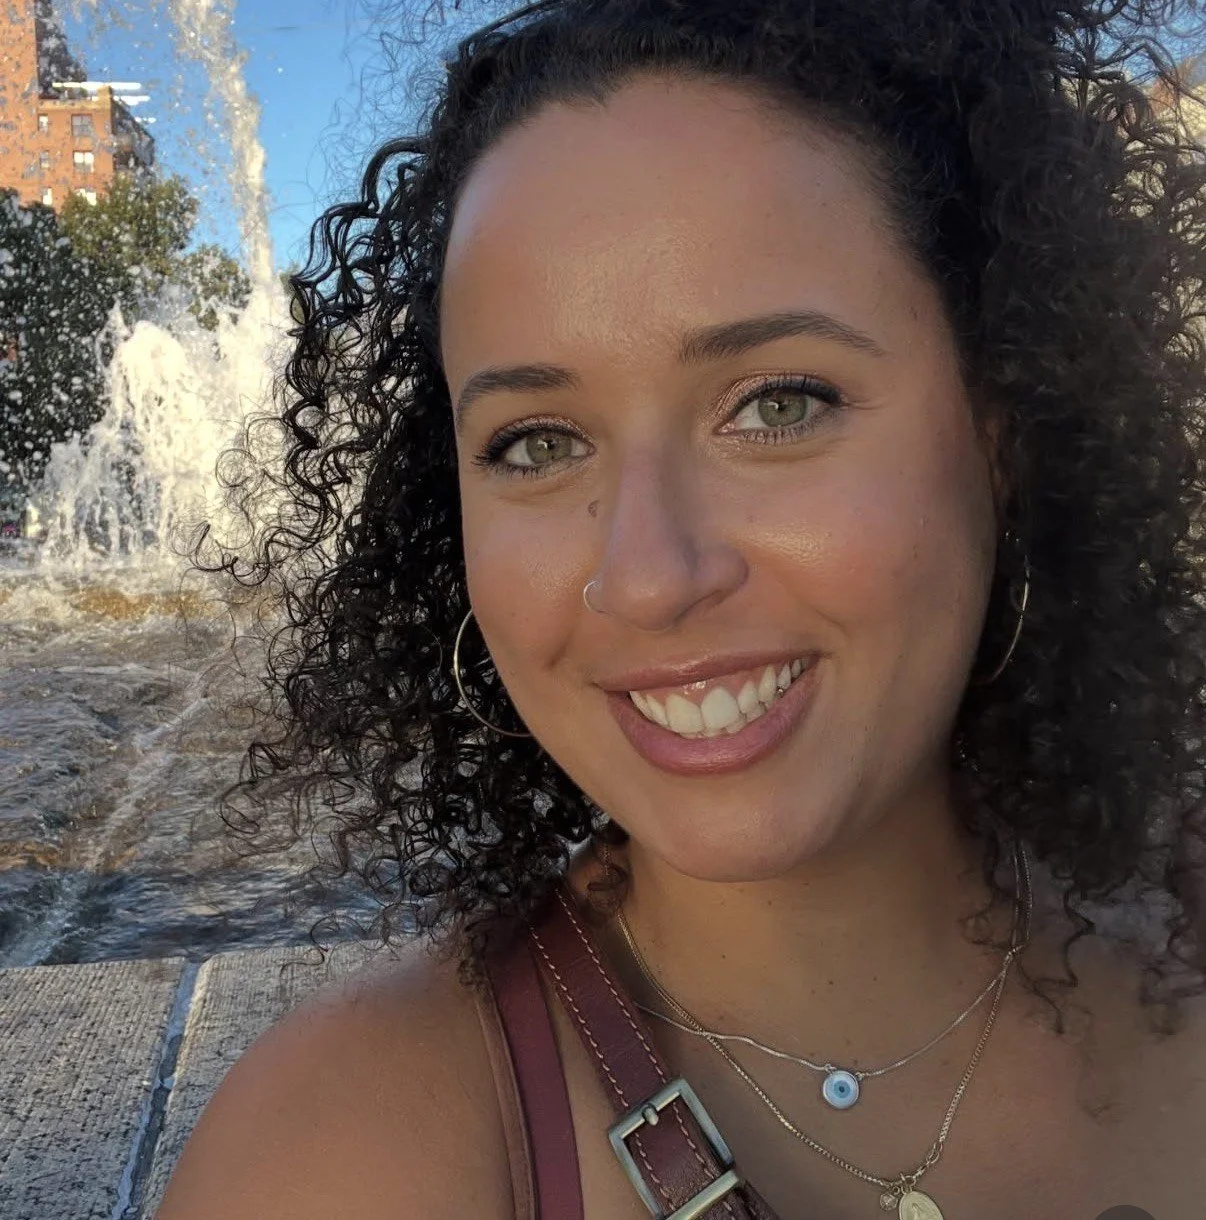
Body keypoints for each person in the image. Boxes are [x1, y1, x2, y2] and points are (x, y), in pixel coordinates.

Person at [156, 1, 1206, 1216]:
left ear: (998, 428)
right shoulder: (335, 1159)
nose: (648, 576)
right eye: (537, 440)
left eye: (778, 403)